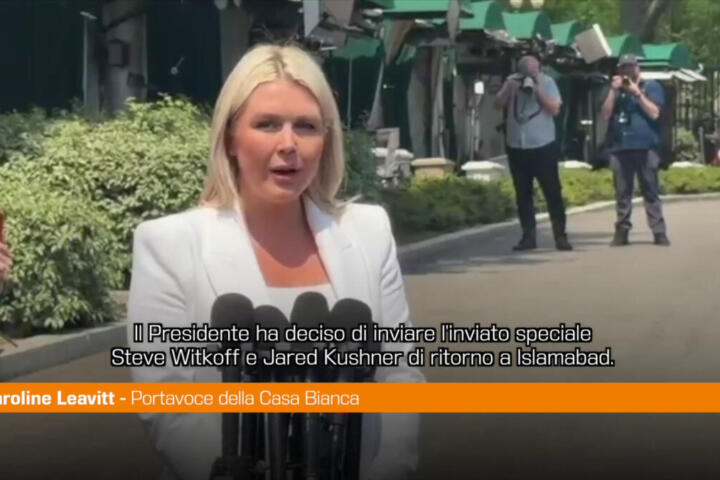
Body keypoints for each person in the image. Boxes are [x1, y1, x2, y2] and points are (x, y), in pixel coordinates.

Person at [127, 44, 424, 480]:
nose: (289, 145)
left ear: (326, 139)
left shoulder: (369, 231)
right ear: (231, 137)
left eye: (306, 126)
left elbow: (399, 376)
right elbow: (168, 405)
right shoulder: (168, 244)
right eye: (267, 125)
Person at [494, 54, 572, 251]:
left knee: (552, 192)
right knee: (523, 194)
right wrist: (509, 89)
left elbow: (555, 109)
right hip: (517, 146)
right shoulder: (511, 81)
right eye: (525, 73)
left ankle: (560, 236)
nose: (529, 77)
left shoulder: (548, 82)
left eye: (533, 72)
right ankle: (528, 237)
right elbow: (497, 105)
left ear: (539, 69)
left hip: (543, 145)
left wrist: (537, 91)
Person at [601, 54, 670, 247]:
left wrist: (637, 93)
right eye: (623, 68)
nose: (627, 71)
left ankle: (659, 232)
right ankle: (622, 231)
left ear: (637, 68)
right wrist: (613, 91)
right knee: (622, 193)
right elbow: (605, 115)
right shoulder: (616, 90)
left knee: (650, 191)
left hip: (646, 147)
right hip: (620, 147)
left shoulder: (651, 86)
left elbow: (655, 113)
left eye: (630, 67)